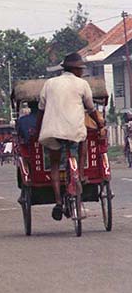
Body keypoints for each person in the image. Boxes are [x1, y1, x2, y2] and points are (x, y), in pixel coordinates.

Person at [37, 52, 104, 221]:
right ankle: (80, 174)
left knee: (54, 163)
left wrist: (38, 130)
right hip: (74, 129)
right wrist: (100, 123)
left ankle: (58, 201)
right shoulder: (81, 84)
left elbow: (41, 109)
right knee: (82, 144)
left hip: (52, 129)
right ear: (75, 69)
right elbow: (90, 108)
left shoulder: (50, 83)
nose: (82, 71)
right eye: (80, 69)